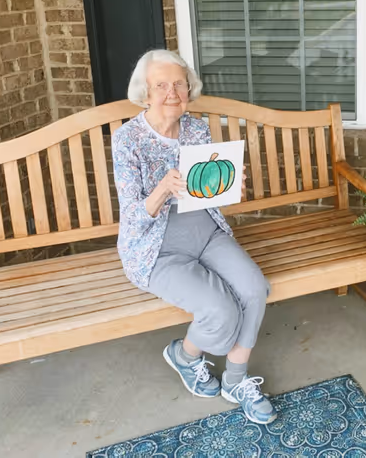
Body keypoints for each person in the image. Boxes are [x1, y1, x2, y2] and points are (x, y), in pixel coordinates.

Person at [112, 49, 277, 424]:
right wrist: (161, 189)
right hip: (156, 248)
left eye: (179, 84)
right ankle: (184, 356)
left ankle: (236, 379)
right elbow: (134, 218)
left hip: (205, 232)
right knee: (221, 311)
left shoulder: (196, 128)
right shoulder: (127, 139)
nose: (172, 92)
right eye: (161, 85)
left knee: (254, 289)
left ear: (189, 88)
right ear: (146, 92)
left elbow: (209, 191)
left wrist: (230, 182)